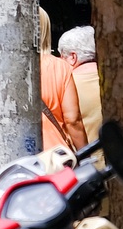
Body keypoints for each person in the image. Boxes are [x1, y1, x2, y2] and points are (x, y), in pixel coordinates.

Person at [36, 9, 86, 152]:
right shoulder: (60, 67)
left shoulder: (0, 71)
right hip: (55, 156)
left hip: (15, 161)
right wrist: (86, 157)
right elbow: (73, 120)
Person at [59, 25, 101, 135]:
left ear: (73, 57)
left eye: (62, 56)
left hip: (80, 151)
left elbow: (71, 122)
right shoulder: (116, 81)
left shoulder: (65, 85)